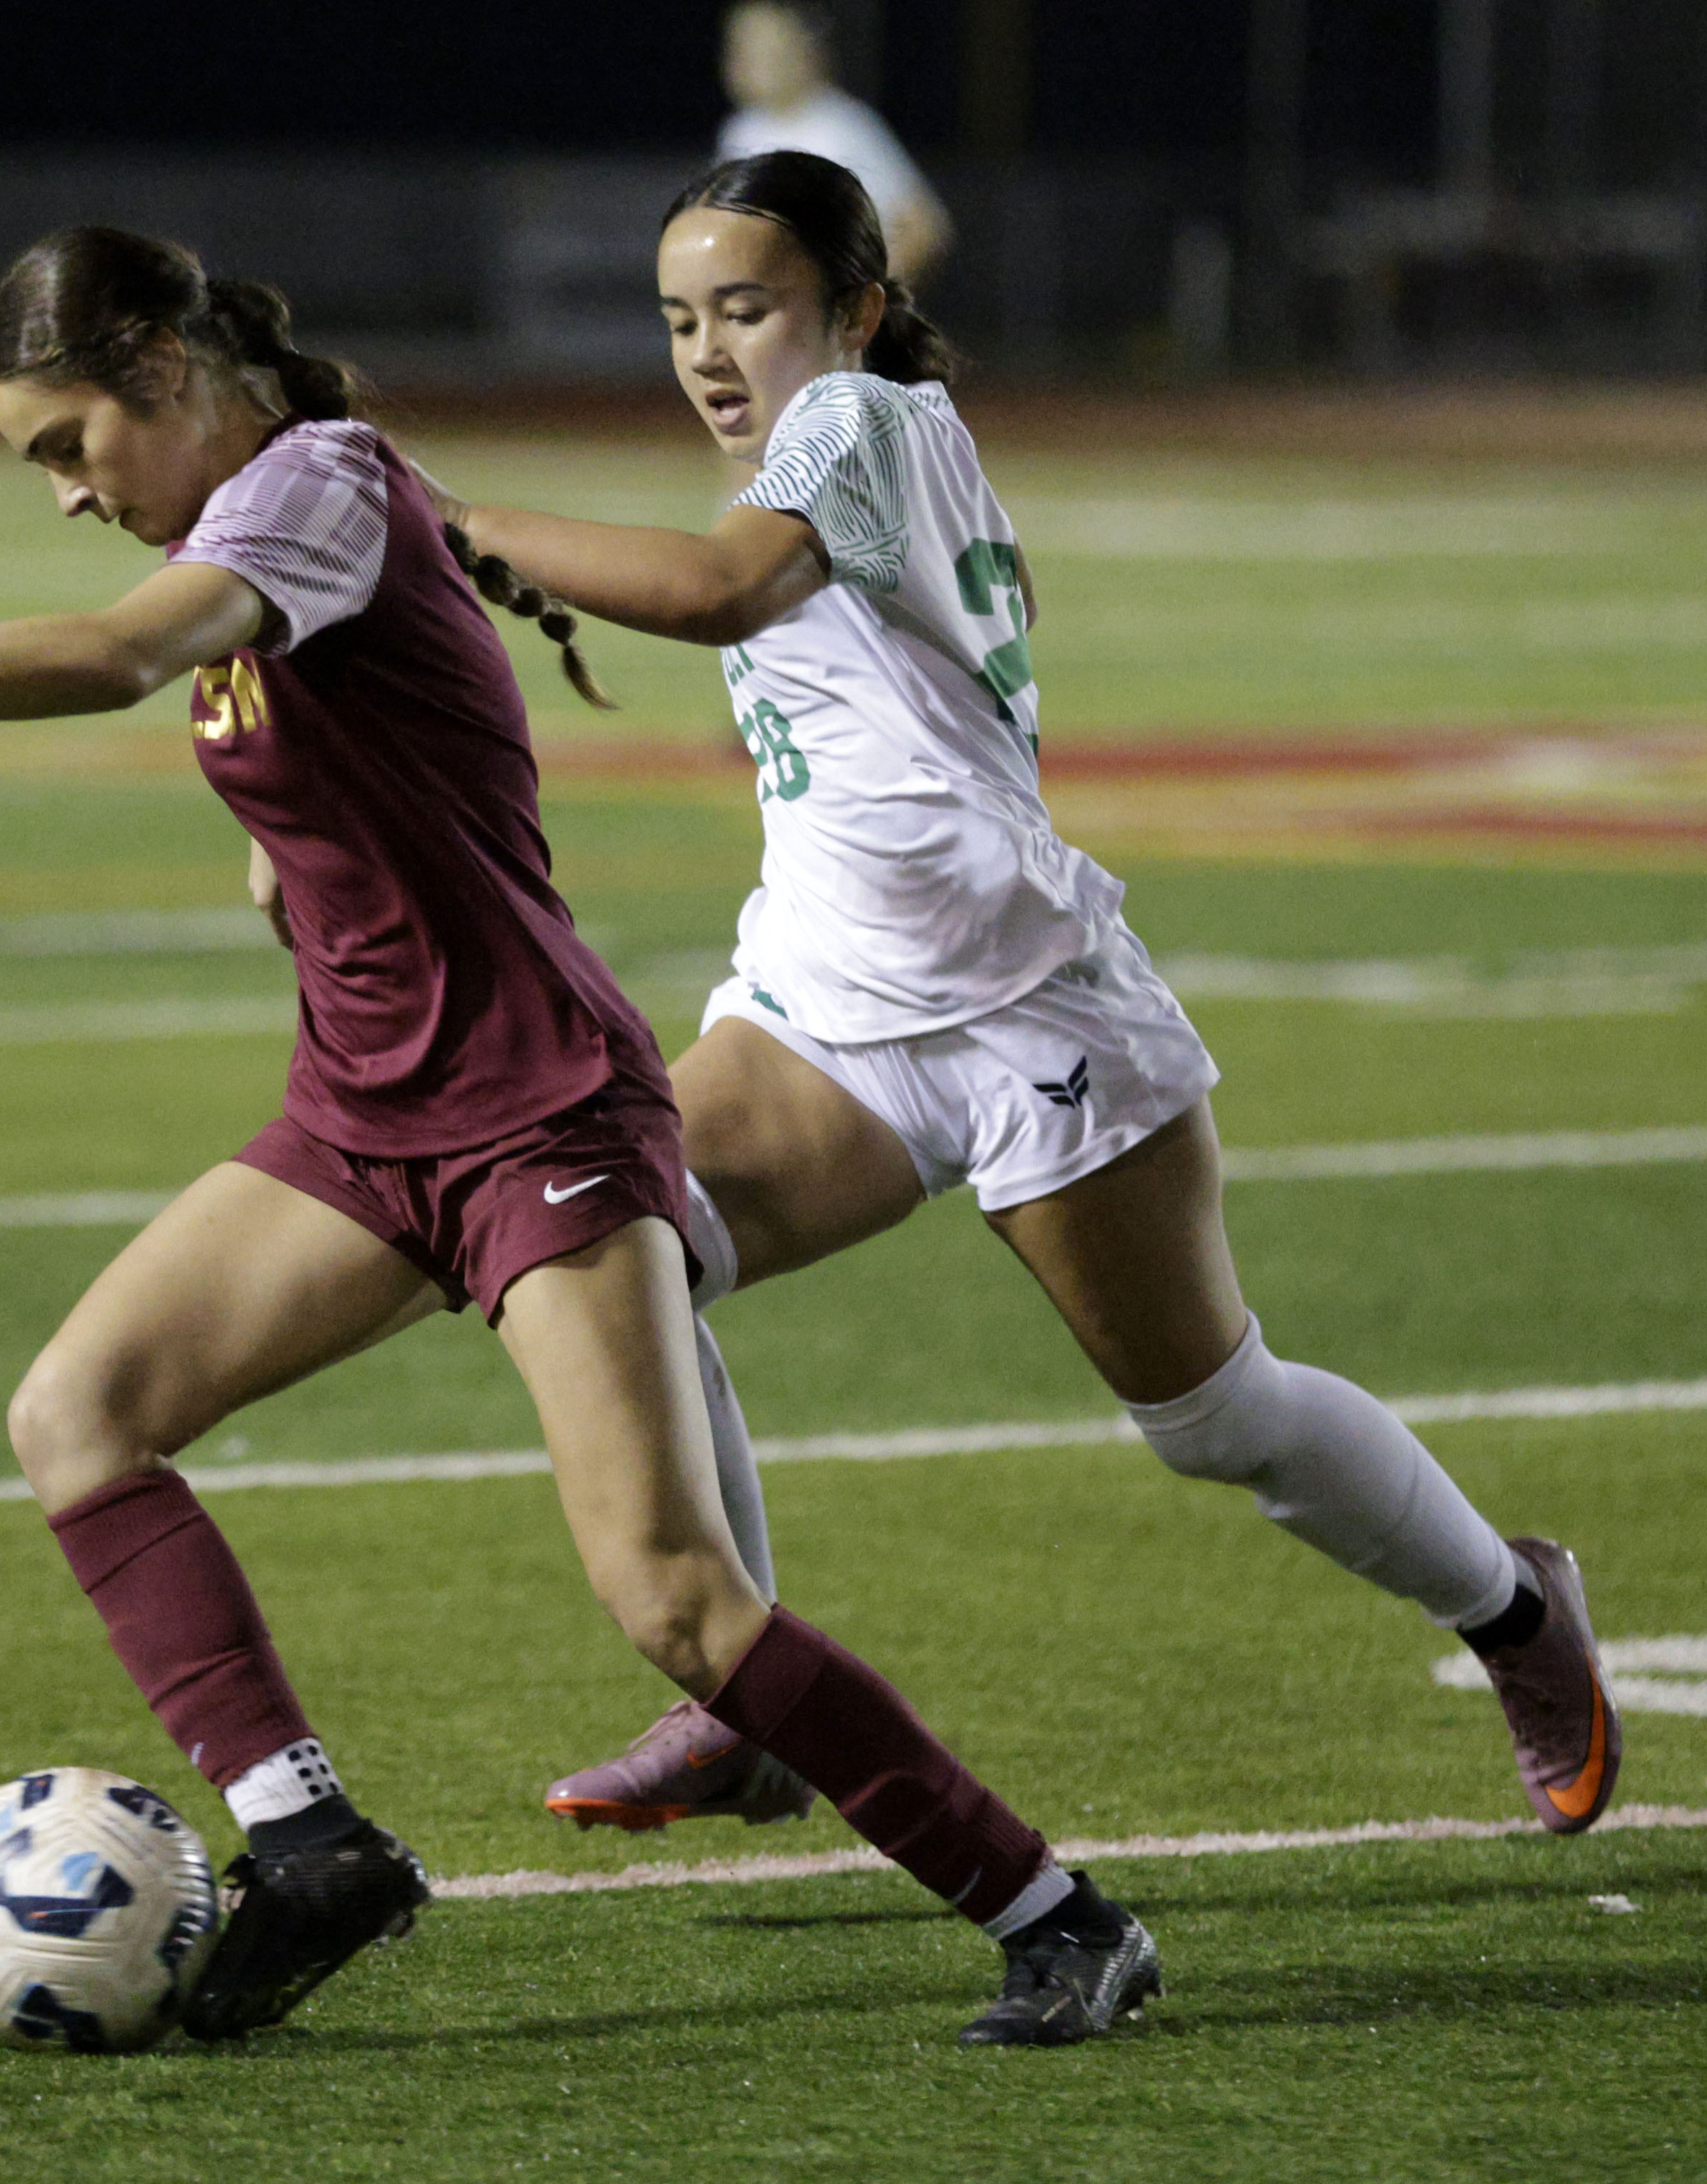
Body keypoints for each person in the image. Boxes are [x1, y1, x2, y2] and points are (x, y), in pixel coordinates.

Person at [0, 225, 1161, 2049]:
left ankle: (1058, 1919)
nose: (63, 498)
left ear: (172, 377)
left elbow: (122, 660)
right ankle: (308, 1837)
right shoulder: (260, 527)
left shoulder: (315, 489)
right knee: (80, 1417)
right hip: (365, 1114)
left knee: (674, 1601)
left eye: (67, 448)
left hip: (531, 1119)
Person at [406, 152, 1623, 1855]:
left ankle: (1515, 1609)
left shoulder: (848, 425)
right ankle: (744, 1696)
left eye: (745, 309)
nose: (705, 349)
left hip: (1024, 1007)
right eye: (680, 316)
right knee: (618, 1247)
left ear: (856, 311)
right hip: (826, 1006)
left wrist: (443, 518)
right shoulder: (866, 448)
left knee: (1216, 1417)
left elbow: (717, 593)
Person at [720, 2, 951, 284]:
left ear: (803, 50)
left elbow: (925, 230)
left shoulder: (843, 126)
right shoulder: (741, 131)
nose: (746, 61)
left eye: (765, 46)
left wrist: (862, 299)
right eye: (740, 47)